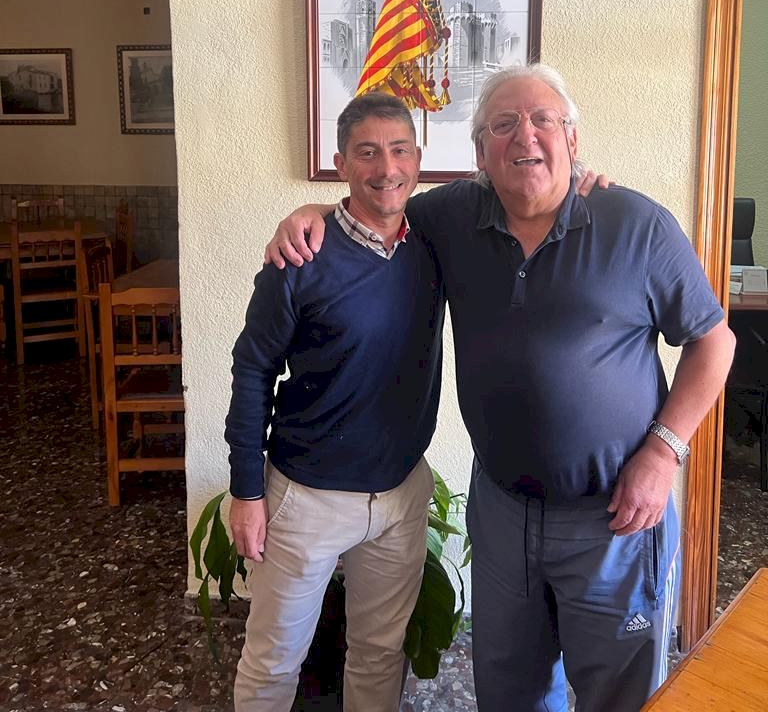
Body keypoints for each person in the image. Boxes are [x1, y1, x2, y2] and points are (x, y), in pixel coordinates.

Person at [265, 63, 735, 712]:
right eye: (503, 124)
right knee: (511, 693)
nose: (525, 136)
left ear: (573, 139)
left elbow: (715, 342)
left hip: (614, 519)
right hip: (503, 513)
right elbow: (377, 206)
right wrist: (312, 212)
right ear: (480, 154)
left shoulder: (635, 224)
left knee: (622, 696)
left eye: (544, 120)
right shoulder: (452, 217)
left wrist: (663, 452)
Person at [225, 92, 443, 712]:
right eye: (367, 152)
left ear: (418, 157)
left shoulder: (435, 241)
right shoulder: (299, 257)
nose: (387, 167)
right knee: (273, 661)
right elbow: (252, 370)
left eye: (399, 150)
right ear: (341, 162)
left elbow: (523, 189)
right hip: (307, 499)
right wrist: (247, 491)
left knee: (380, 652)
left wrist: (585, 181)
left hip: (401, 493)